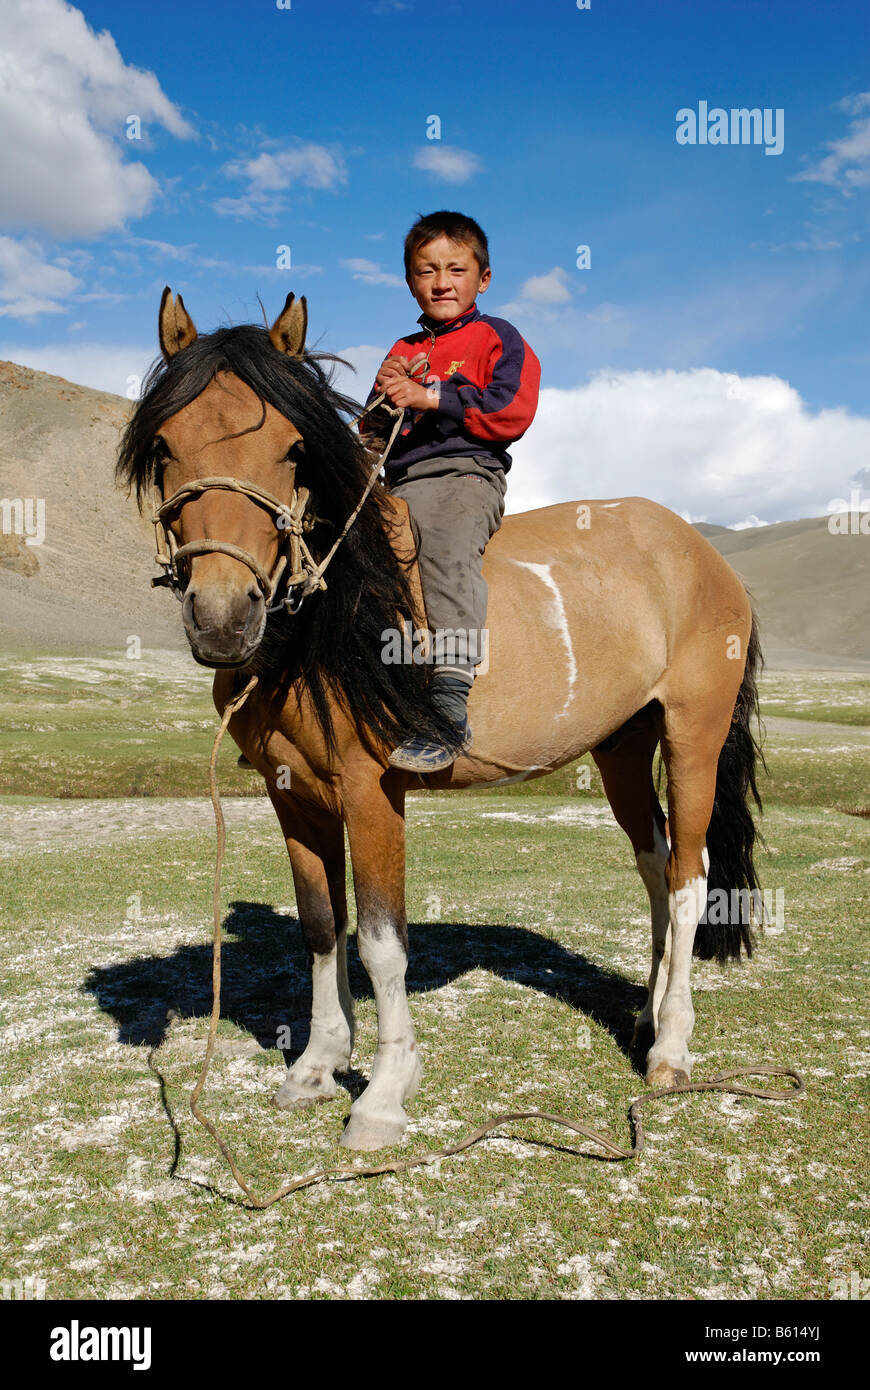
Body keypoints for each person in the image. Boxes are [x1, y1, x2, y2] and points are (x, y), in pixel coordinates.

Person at [361, 210, 541, 772]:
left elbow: (513, 408)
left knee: (443, 546)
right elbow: (372, 430)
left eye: (456, 269)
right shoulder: (400, 347)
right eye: (427, 270)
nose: (442, 282)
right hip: (398, 480)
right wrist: (374, 419)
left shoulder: (497, 336)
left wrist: (432, 397)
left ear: (482, 279)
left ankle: (447, 702)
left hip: (462, 474)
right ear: (410, 281)